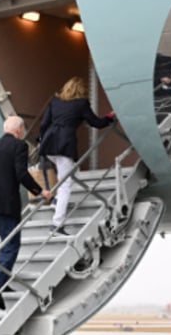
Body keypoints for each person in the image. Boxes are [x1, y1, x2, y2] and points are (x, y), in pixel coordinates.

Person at [0, 116, 52, 310]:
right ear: (19, 131)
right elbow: (21, 174)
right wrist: (40, 191)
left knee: (6, 242)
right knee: (11, 244)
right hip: (6, 203)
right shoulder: (19, 146)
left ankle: (2, 281)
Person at [38, 76, 115, 234]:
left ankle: (56, 202)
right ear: (82, 91)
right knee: (65, 185)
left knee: (71, 174)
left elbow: (44, 123)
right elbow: (96, 123)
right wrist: (109, 117)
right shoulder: (81, 104)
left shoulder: (55, 101)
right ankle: (57, 223)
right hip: (64, 145)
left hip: (49, 144)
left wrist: (41, 140)